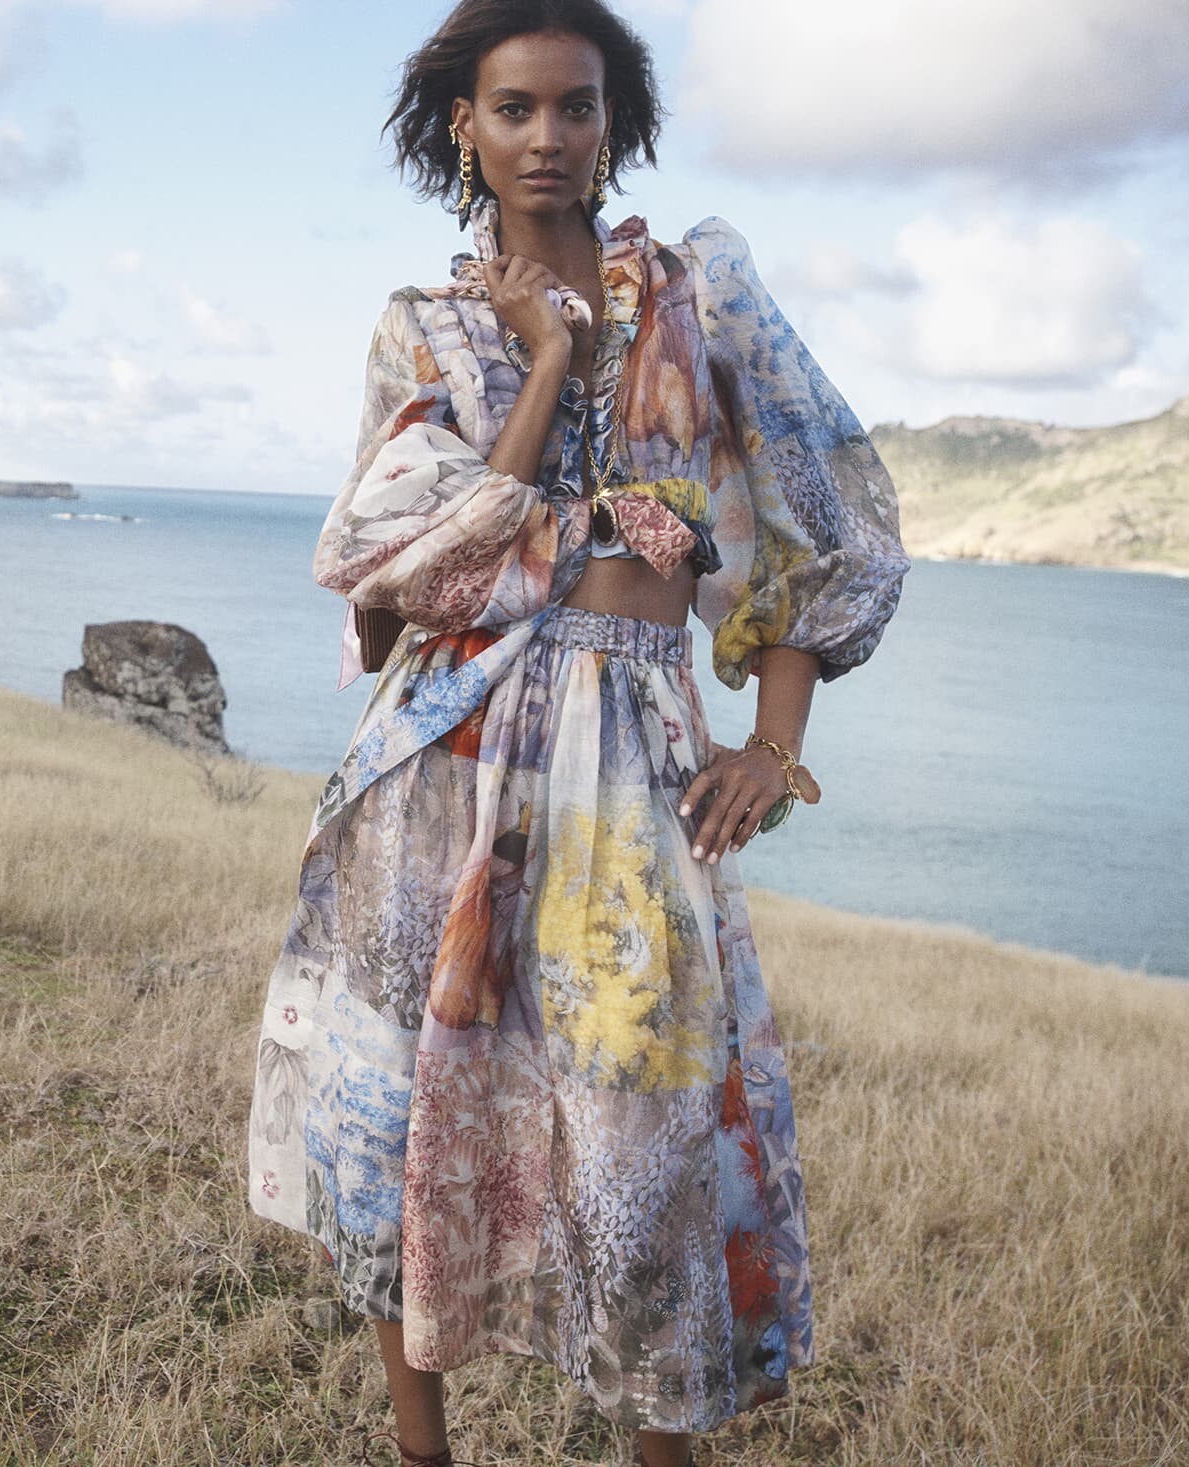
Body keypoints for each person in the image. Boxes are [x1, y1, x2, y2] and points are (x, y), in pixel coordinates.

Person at [243, 3, 910, 1465]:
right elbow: (414, 572)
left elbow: (826, 521)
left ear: (616, 123)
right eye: (515, 108)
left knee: (640, 1134)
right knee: (406, 1113)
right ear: (464, 128)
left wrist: (770, 744)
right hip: (446, 757)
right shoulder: (421, 326)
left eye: (578, 107)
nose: (548, 137)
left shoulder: (698, 298)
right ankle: (423, 1450)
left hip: (633, 755)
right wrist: (546, 359)